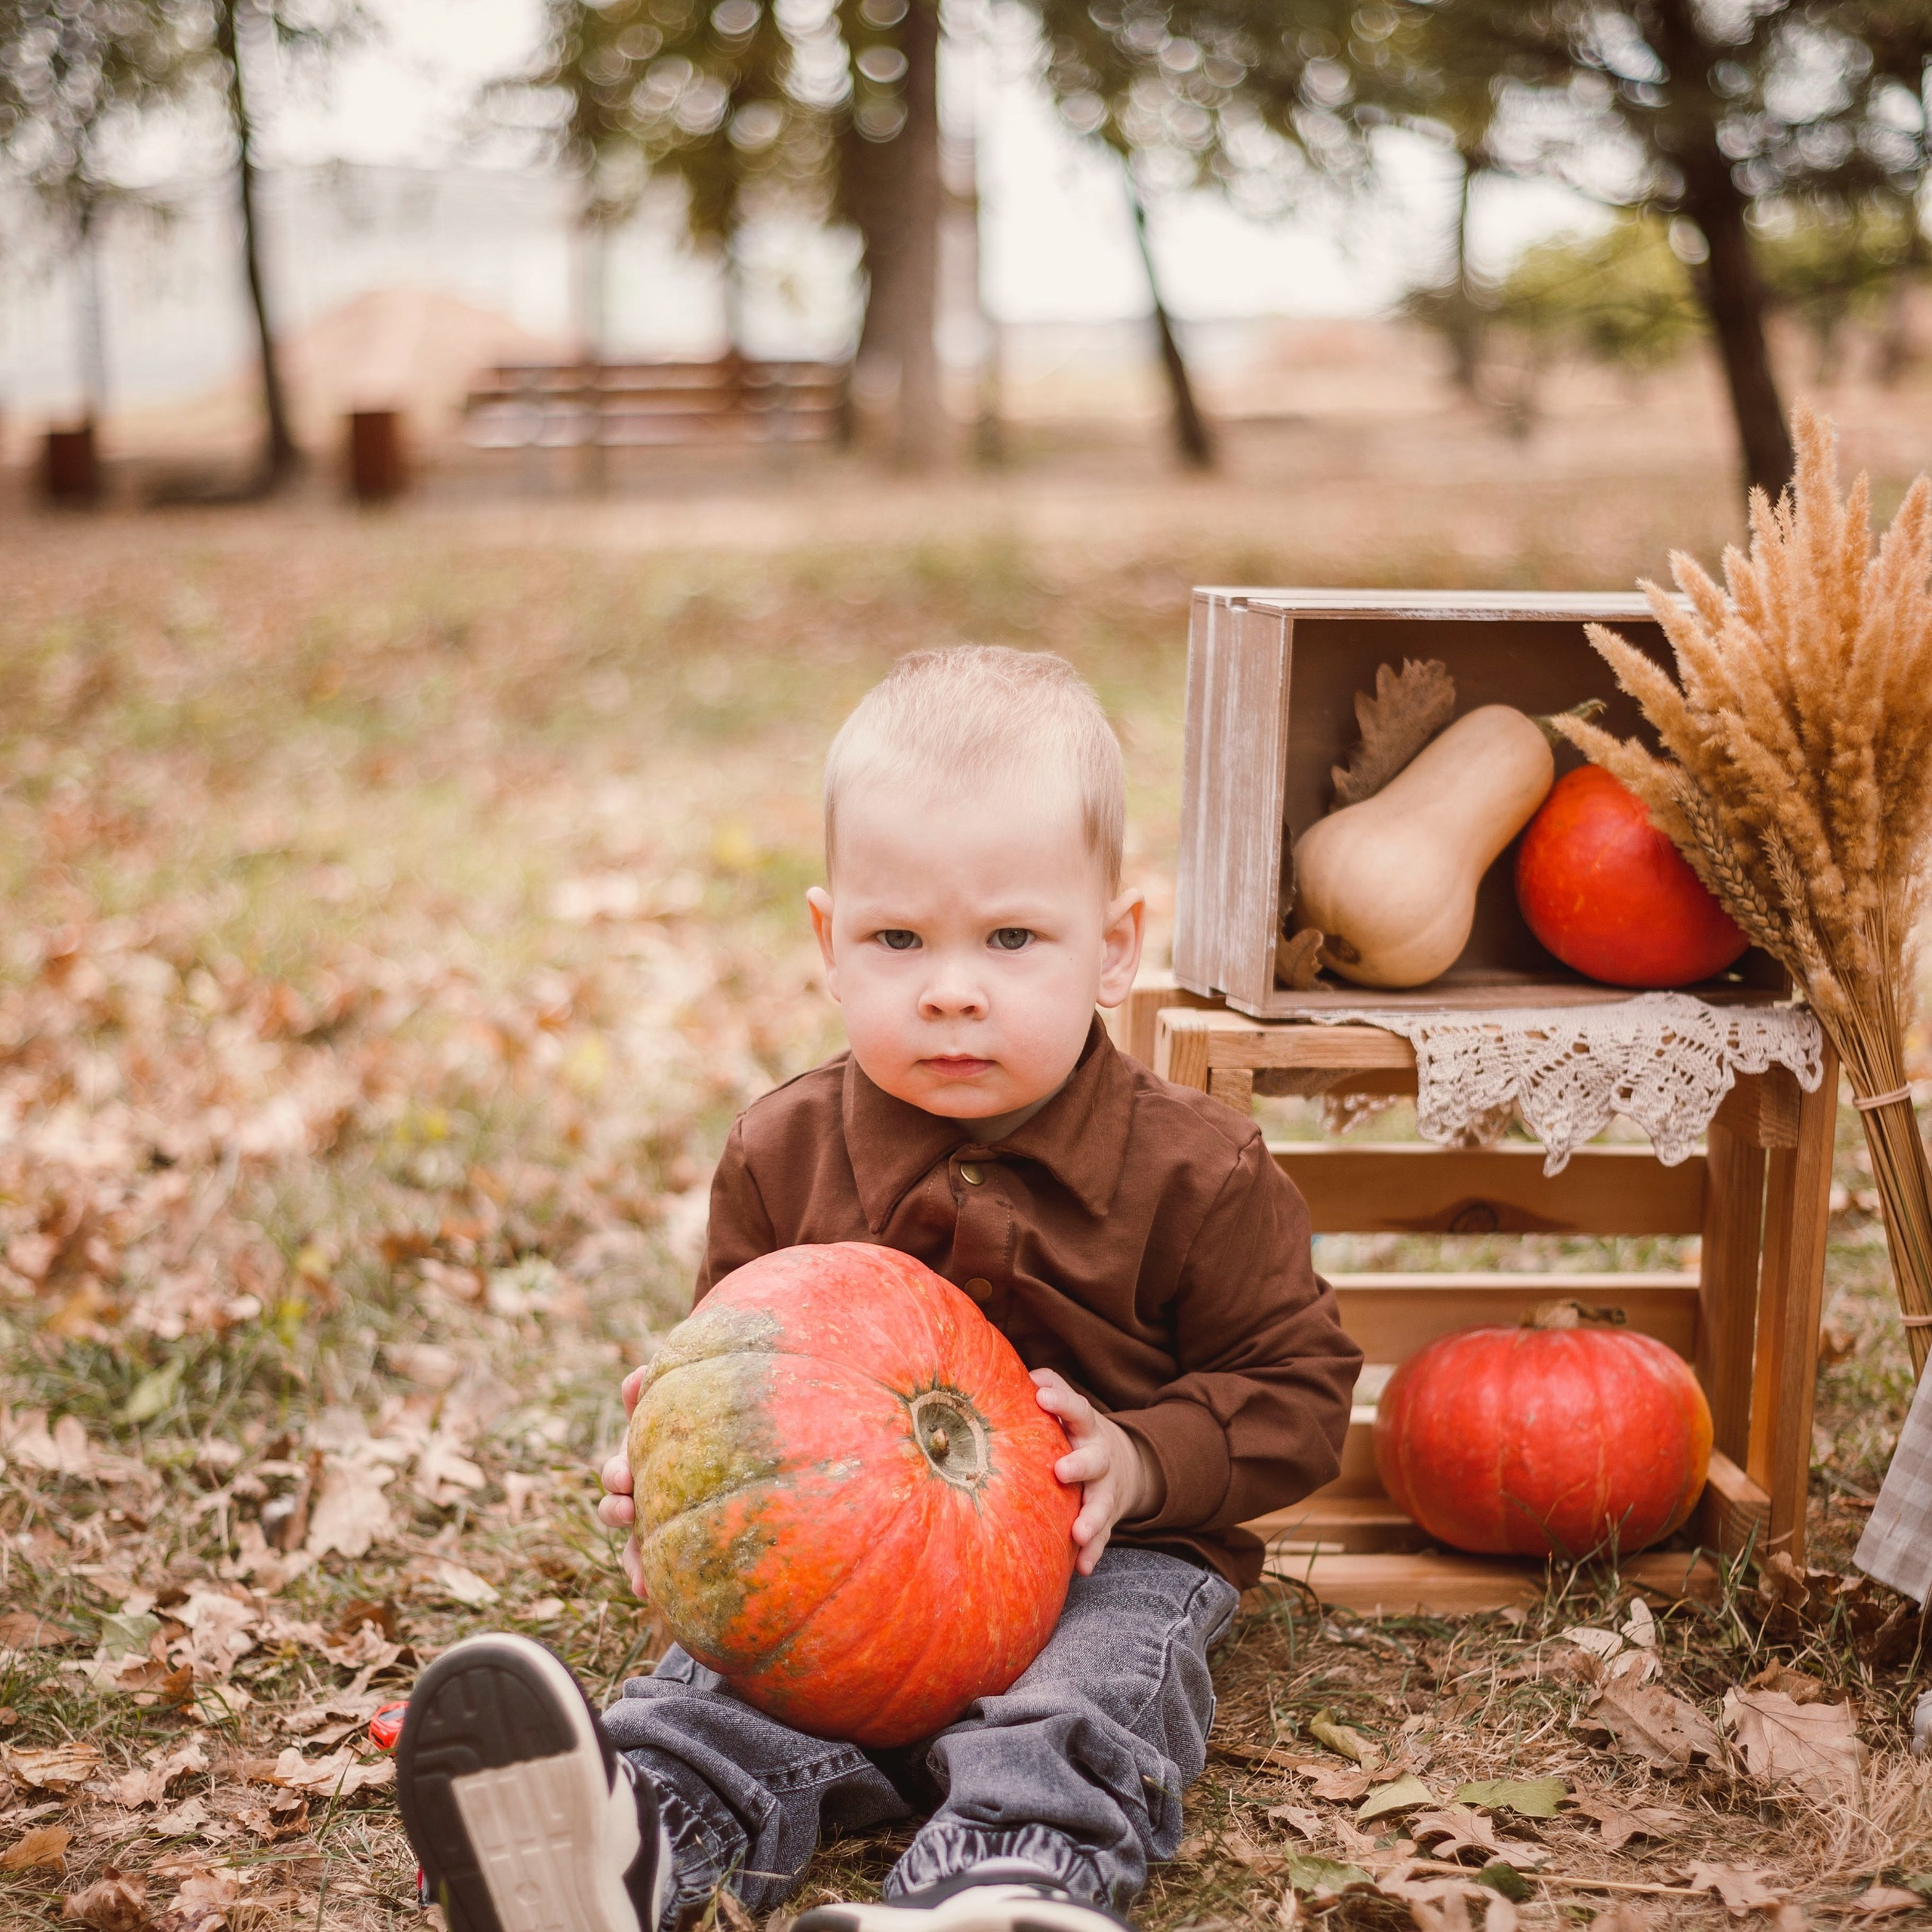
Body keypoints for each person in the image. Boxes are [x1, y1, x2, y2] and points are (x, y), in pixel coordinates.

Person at [392, 646, 1361, 1932]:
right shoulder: (780, 1153)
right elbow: (726, 1377)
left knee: (1095, 1688)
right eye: (897, 938)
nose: (951, 989)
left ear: (1115, 946)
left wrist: (1140, 1462)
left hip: (1112, 1556)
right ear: (829, 945)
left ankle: (1007, 1875)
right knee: (720, 1693)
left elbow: (1301, 1391)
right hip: (835, 1567)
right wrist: (671, 1479)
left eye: (1012, 938)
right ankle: (628, 1847)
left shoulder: (1198, 1172)